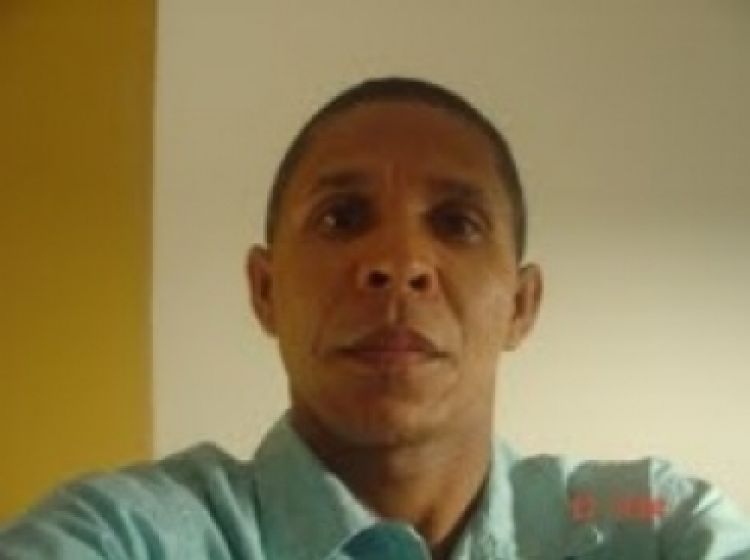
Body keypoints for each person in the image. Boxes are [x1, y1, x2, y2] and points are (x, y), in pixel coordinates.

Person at [1, 77, 749, 559]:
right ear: (265, 290)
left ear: (521, 307)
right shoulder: (123, 536)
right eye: (342, 217)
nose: (398, 261)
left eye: (455, 223)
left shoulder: (653, 525)